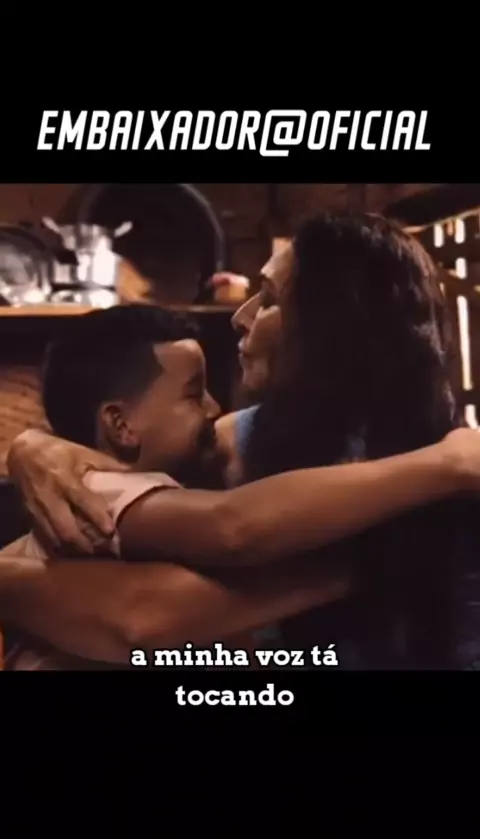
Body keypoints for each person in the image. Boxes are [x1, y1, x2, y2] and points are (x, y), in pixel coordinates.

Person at [5, 218, 480, 668]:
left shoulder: (446, 473)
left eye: (268, 299)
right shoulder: (246, 439)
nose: (240, 316)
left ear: (334, 323)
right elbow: (228, 529)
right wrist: (32, 447)